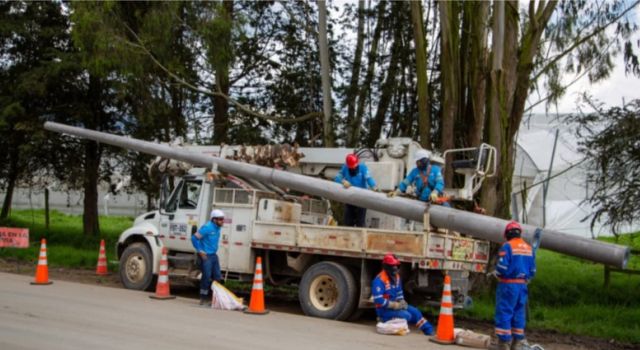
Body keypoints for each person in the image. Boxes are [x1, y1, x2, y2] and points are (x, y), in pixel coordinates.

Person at [494, 221, 536, 350]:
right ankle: (517, 343)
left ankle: (504, 343)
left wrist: (496, 272)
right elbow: (533, 271)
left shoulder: (507, 246)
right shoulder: (529, 248)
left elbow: (502, 267)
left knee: (505, 311)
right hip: (522, 286)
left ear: (507, 234)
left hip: (508, 285)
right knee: (519, 313)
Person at [371, 253, 434, 335]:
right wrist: (394, 305)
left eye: (396, 265)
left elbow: (399, 293)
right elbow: (378, 300)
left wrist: (402, 302)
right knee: (406, 315)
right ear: (386, 267)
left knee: (415, 312)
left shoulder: (396, 277)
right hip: (384, 310)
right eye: (392, 266)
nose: (395, 268)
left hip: (396, 306)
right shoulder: (379, 280)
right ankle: (382, 319)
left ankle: (429, 331)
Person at [191, 209, 225, 306]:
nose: (222, 221)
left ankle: (216, 299)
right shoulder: (207, 228)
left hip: (213, 255)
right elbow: (194, 238)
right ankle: (203, 299)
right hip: (206, 256)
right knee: (206, 277)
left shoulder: (217, 228)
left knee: (217, 277)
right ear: (214, 220)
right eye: (220, 219)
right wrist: (200, 250)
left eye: (223, 219)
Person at [334, 153, 378, 227]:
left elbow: (369, 178)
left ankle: (361, 236)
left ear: (357, 163)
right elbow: (337, 178)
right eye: (351, 167)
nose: (353, 168)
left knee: (360, 222)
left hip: (362, 198)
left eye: (354, 166)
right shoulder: (345, 168)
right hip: (350, 197)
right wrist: (343, 181)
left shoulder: (363, 168)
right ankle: (348, 237)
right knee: (348, 222)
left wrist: (374, 186)